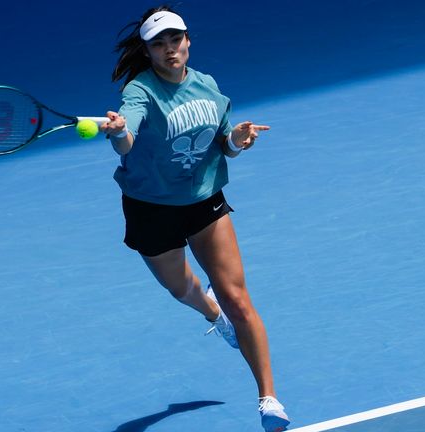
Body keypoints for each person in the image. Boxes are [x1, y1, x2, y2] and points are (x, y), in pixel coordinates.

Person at [99, 6, 290, 432]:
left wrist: (237, 140)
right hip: (150, 207)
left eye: (175, 40)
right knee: (179, 287)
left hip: (204, 201)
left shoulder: (207, 86)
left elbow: (221, 142)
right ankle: (209, 312)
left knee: (239, 299)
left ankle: (269, 399)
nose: (169, 50)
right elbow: (127, 140)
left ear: (187, 41)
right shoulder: (140, 92)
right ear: (147, 51)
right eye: (159, 44)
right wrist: (118, 131)